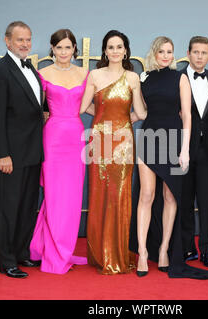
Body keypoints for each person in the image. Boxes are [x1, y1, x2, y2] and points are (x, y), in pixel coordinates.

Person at [129, 36, 208, 283]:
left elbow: (187, 115)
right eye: (161, 51)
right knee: (146, 196)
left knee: (170, 197)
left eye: (170, 51)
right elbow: (144, 111)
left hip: (174, 141)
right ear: (154, 53)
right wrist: (129, 117)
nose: (166, 55)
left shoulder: (181, 78)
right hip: (148, 138)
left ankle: (165, 248)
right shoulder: (143, 78)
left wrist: (185, 149)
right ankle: (143, 252)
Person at [80, 30, 147, 275]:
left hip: (123, 143)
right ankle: (100, 253)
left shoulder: (132, 77)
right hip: (99, 140)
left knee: (119, 196)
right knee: (99, 193)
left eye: (119, 47)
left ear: (126, 50)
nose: (115, 51)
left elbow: (141, 113)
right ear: (105, 51)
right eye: (111, 47)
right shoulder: (95, 75)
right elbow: (82, 106)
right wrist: (102, 122)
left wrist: (120, 122)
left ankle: (116, 253)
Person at [0, 21, 43, 278]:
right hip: (11, 156)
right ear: (7, 41)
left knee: (27, 206)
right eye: (20, 40)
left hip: (32, 152)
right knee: (8, 208)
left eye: (28, 39)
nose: (25, 44)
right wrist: (2, 154)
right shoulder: (0, 71)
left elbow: (33, 109)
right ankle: (6, 260)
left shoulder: (32, 69)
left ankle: (20, 253)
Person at [29, 29, 88, 274]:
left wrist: (120, 117)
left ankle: (58, 248)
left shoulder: (86, 74)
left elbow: (93, 106)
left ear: (75, 49)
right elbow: (35, 110)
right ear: (52, 49)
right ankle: (53, 254)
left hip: (76, 137)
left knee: (72, 199)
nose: (64, 52)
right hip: (52, 138)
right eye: (59, 47)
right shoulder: (41, 74)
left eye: (68, 47)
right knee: (54, 196)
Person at [179, 36, 208, 267]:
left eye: (204, 53)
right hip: (183, 149)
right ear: (188, 53)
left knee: (207, 201)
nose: (199, 56)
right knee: (184, 200)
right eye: (195, 52)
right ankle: (187, 249)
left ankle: (207, 250)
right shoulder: (177, 77)